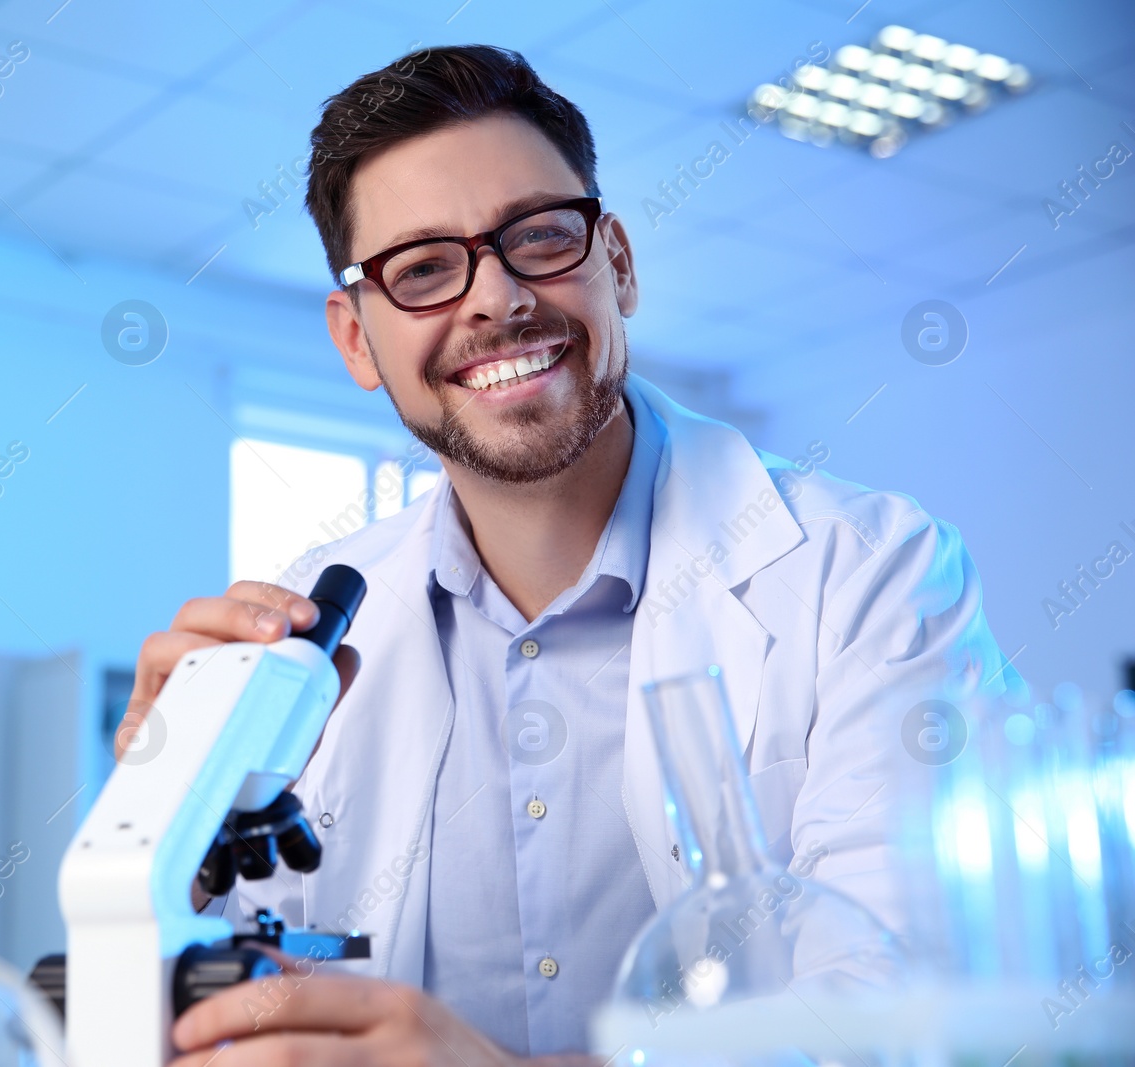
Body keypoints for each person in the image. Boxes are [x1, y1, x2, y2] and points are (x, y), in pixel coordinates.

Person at [139, 44, 1017, 1066]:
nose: (494, 298)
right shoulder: (294, 640)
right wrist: (160, 834)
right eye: (422, 269)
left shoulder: (867, 574)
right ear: (354, 341)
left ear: (620, 264)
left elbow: (914, 1013)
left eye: (539, 238)